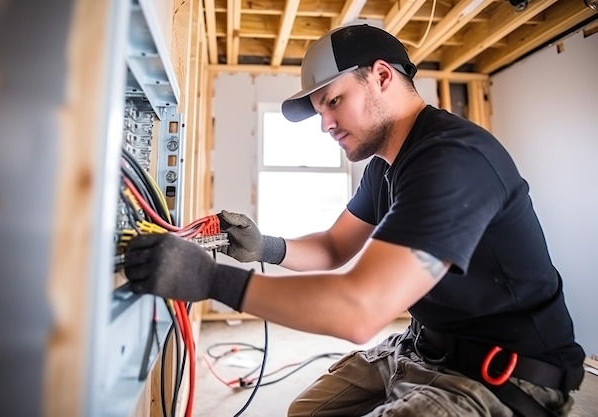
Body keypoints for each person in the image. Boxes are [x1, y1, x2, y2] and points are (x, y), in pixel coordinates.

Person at [124, 24, 585, 417]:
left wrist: (208, 280)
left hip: (503, 374)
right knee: (303, 411)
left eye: (332, 101)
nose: (325, 124)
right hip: (426, 346)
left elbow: (361, 311)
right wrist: (264, 247)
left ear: (381, 76)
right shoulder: (386, 167)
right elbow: (335, 247)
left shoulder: (452, 159)